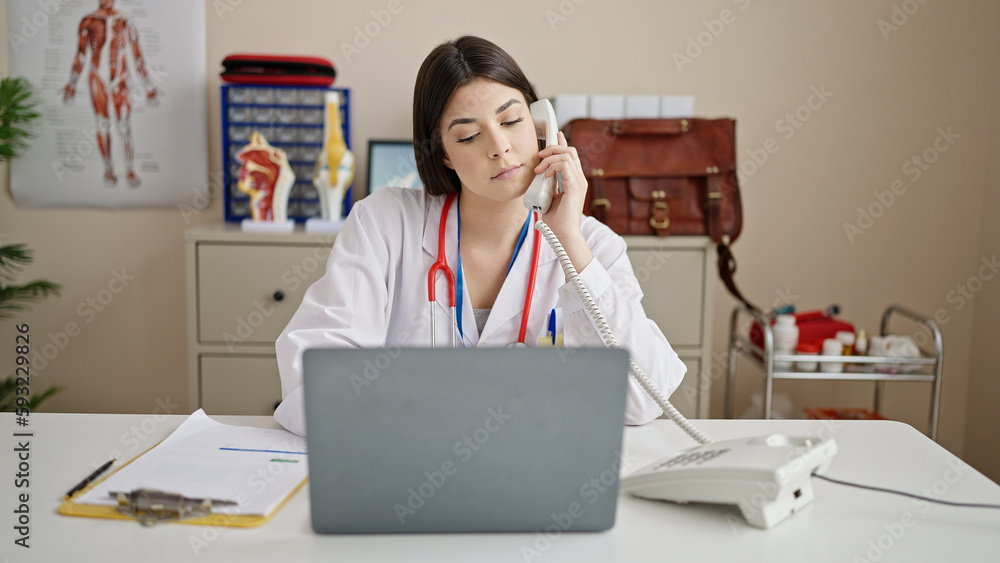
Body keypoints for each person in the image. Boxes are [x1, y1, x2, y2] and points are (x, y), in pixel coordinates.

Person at [274, 36, 686, 436]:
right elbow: (314, 386)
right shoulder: (383, 224)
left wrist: (570, 243)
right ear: (444, 154)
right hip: (415, 460)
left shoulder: (593, 246)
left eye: (512, 121)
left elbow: (642, 400)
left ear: (541, 124)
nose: (499, 147)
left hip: (535, 466)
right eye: (468, 136)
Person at [61, 0, 159, 188]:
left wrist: (148, 85)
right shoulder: (88, 21)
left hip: (120, 78)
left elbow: (137, 55)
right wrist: (72, 82)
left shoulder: (126, 20)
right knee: (103, 125)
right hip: (98, 77)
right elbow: (80, 54)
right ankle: (108, 168)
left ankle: (129, 169)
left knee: (124, 125)